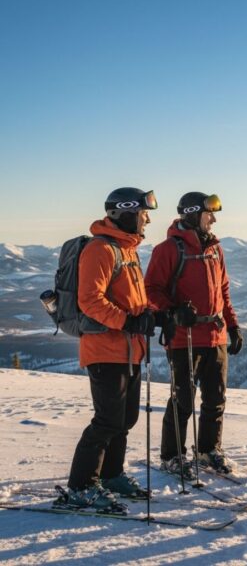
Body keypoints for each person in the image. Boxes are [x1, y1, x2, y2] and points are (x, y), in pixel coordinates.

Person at [66, 187, 158, 512]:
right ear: (127, 212)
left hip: (130, 350)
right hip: (105, 349)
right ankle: (80, 486)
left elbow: (132, 301)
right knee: (107, 421)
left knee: (125, 419)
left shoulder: (127, 250)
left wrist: (152, 316)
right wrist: (127, 322)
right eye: (144, 213)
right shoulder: (100, 249)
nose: (147, 219)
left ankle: (112, 475)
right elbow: (89, 300)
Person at [145, 192, 242, 476]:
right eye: (208, 213)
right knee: (182, 400)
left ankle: (208, 450)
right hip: (184, 336)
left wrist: (233, 325)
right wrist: (173, 310)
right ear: (191, 214)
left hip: (215, 335)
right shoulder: (168, 249)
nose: (213, 219)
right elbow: (150, 290)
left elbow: (223, 290)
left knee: (216, 398)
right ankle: (172, 456)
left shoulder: (214, 248)